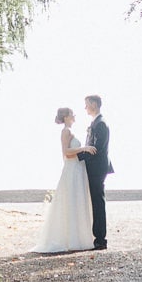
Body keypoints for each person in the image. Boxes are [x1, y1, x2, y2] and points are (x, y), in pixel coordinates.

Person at [31, 107, 95, 253]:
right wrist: (84, 148)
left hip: (77, 169)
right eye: (72, 114)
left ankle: (78, 237)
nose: (74, 116)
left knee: (77, 201)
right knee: (72, 201)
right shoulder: (66, 131)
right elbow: (66, 152)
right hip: (73, 169)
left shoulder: (69, 131)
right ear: (66, 117)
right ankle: (72, 239)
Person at [76, 94, 112, 250]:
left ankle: (100, 239)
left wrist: (76, 156)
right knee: (95, 202)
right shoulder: (95, 123)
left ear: (94, 104)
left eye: (86, 104)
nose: (85, 108)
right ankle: (97, 236)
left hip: (97, 169)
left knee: (98, 202)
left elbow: (97, 150)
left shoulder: (101, 124)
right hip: (93, 168)